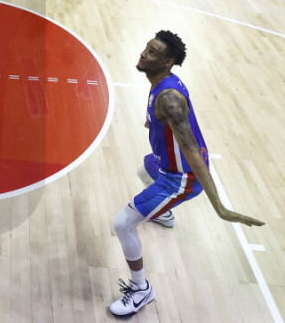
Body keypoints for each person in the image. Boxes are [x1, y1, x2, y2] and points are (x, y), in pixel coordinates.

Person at [109, 31, 264, 316]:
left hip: (181, 178)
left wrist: (220, 208)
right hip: (166, 164)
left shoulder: (169, 98)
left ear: (167, 62)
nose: (143, 54)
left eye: (153, 52)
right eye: (146, 48)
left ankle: (141, 290)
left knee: (122, 224)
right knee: (144, 169)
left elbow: (191, 151)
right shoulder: (161, 82)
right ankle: (164, 215)